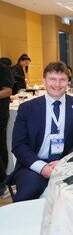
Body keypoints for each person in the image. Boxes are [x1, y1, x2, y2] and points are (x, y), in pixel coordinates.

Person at [7, 62, 73, 202]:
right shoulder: (27, 108)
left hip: (67, 163)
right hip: (34, 164)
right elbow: (19, 144)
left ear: (68, 82)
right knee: (26, 195)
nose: (57, 84)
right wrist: (42, 167)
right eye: (52, 79)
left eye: (62, 80)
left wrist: (63, 162)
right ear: (44, 81)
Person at [0, 60, 13, 195]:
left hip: (1, 114)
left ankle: (2, 183)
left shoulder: (3, 69)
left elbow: (8, 91)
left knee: (1, 147)